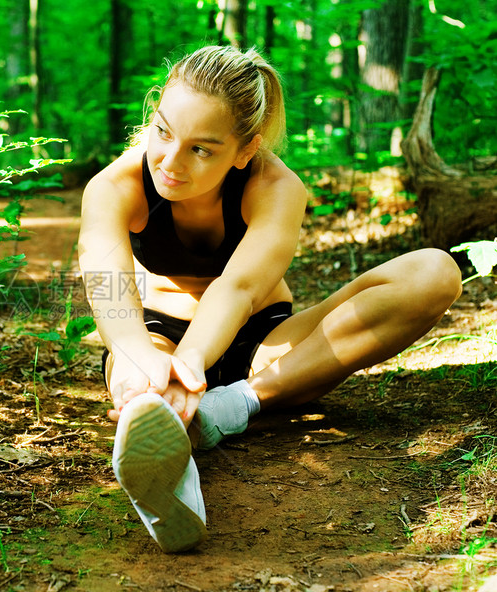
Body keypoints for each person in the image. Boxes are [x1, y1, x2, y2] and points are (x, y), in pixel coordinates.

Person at [77, 45, 462, 554]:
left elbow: (238, 288)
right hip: (155, 335)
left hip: (260, 344)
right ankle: (170, 438)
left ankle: (224, 409)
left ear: (244, 149)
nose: (170, 161)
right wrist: (132, 355)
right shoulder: (115, 184)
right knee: (148, 389)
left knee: (434, 272)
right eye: (164, 131)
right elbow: (102, 276)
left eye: (202, 149)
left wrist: (194, 362)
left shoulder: (275, 186)